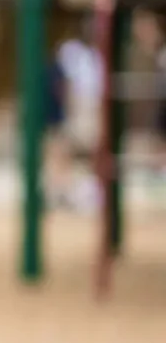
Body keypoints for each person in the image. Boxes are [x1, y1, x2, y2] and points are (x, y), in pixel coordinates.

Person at [44, 19, 104, 212]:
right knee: (60, 151)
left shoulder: (94, 54)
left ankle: (82, 191)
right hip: (74, 108)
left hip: (88, 106)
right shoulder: (71, 50)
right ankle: (62, 192)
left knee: (87, 151)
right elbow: (65, 84)